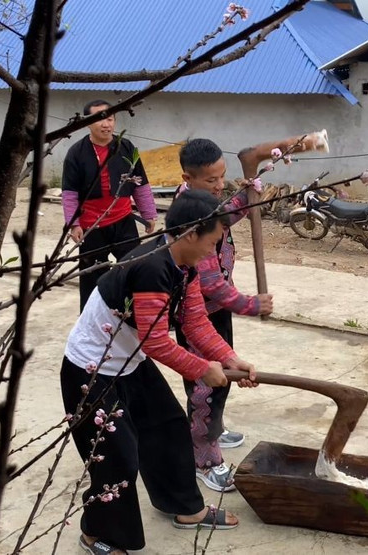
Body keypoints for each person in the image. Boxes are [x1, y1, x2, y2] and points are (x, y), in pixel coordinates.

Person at [60, 190, 257, 554]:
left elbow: (195, 321)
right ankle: (95, 535)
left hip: (128, 361)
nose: (214, 253)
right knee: (117, 458)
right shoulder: (152, 268)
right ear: (191, 233)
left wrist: (229, 358)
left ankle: (185, 508)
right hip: (90, 370)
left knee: (168, 427)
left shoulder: (185, 265)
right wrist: (203, 369)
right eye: (213, 242)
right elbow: (156, 343)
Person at [174, 138, 273, 493]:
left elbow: (225, 214)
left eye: (223, 178)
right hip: (197, 314)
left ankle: (211, 429)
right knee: (205, 391)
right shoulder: (191, 215)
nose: (220, 186)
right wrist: (252, 304)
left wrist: (245, 197)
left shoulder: (205, 203)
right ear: (188, 177)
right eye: (212, 181)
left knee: (219, 383)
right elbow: (212, 283)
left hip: (214, 314)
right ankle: (205, 458)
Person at [62, 99, 158, 312]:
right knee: (91, 275)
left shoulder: (126, 147)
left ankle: (134, 313)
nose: (106, 124)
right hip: (92, 225)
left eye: (110, 118)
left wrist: (149, 213)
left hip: (123, 220)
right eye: (99, 119)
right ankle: (91, 317)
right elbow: (69, 193)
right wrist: (73, 224)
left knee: (134, 266)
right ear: (87, 123)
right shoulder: (76, 153)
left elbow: (140, 182)